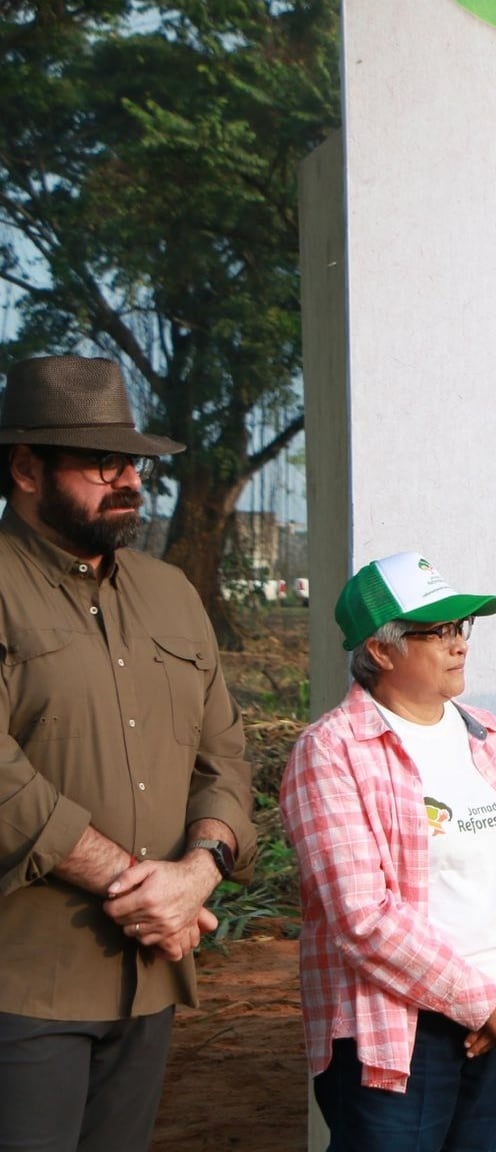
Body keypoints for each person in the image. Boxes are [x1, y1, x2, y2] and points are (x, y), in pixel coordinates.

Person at [0, 354, 255, 1151]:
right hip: (24, 983)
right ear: (26, 468)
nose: (128, 481)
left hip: (149, 977)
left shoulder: (169, 592)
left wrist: (197, 873)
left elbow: (227, 760)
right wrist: (132, 882)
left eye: (134, 463)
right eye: (100, 462)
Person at [281, 553, 496, 1151]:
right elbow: (362, 917)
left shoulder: (485, 733)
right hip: (400, 1029)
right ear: (380, 651)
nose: (458, 644)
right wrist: (482, 1001)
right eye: (436, 631)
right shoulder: (332, 752)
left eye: (461, 628)